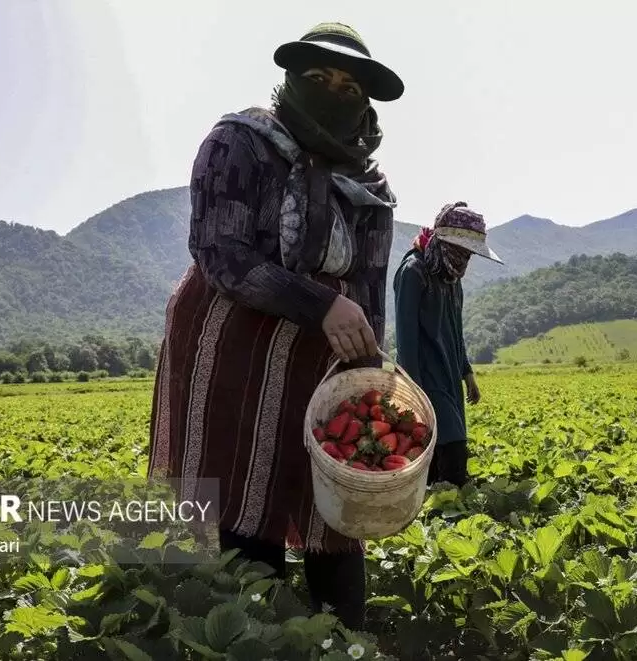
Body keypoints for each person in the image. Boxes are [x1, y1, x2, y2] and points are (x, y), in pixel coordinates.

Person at [146, 22, 404, 630]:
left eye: (347, 85)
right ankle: (252, 634)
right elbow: (221, 252)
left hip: (322, 355)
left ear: (364, 101)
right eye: (317, 78)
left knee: (333, 513)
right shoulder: (239, 142)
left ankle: (341, 637)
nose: (331, 91)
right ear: (289, 79)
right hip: (231, 345)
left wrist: (372, 371)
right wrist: (319, 304)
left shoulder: (371, 187)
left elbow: (366, 289)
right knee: (244, 490)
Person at [393, 202, 503, 487]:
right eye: (461, 251)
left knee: (438, 447)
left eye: (469, 254)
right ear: (444, 243)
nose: (465, 259)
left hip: (449, 372)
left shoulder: (452, 278)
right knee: (451, 444)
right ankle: (448, 505)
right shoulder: (413, 272)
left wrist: (467, 372)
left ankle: (435, 501)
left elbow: (456, 329)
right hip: (424, 375)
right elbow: (406, 339)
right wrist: (412, 390)